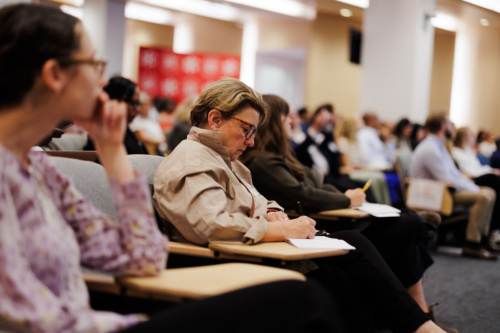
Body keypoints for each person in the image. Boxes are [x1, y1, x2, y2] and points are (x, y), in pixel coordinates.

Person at [0, 4, 345, 333]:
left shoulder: (41, 170)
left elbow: (146, 259)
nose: (102, 81)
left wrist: (114, 153)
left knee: (304, 296)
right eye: (93, 65)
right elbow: (31, 320)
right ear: (54, 75)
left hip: (100, 322)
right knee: (301, 301)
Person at [153, 78, 446, 333]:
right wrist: (280, 229)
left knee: (353, 264)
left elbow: (257, 198)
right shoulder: (192, 160)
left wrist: (271, 210)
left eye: (254, 132)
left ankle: (417, 325)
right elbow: (210, 225)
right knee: (352, 264)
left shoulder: (222, 158)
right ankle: (419, 325)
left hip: (256, 250)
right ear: (215, 119)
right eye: (247, 129)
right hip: (229, 259)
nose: (251, 142)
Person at [240, 94, 457, 333]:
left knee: (406, 233)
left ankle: (420, 313)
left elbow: (318, 187)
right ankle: (420, 313)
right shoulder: (263, 162)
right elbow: (304, 194)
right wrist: (346, 198)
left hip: (317, 226)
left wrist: (347, 196)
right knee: (406, 229)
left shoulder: (282, 157)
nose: (292, 123)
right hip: (315, 228)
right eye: (285, 118)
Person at [410, 114, 497, 260]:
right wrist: (476, 190)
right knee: (482, 197)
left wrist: (474, 187)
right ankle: (472, 244)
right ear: (443, 126)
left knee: (490, 192)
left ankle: (483, 239)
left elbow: (455, 174)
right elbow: (448, 178)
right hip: (433, 193)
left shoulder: (438, 145)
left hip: (442, 189)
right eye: (451, 125)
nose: (453, 128)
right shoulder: (431, 148)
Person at [452, 127, 500, 251]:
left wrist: (491, 170)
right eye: (471, 136)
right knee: (494, 182)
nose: (474, 138)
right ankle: (475, 241)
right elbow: (468, 172)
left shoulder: (468, 151)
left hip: (475, 176)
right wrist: (490, 172)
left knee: (493, 189)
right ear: (464, 137)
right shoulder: (455, 151)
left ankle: (486, 235)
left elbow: (478, 167)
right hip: (469, 179)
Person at [84, 76, 149, 156]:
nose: (138, 109)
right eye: (134, 103)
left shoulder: (125, 130)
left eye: (139, 104)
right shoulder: (104, 135)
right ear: (116, 101)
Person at [335, 115, 391, 204]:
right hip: (352, 171)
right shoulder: (343, 141)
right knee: (375, 179)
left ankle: (386, 203)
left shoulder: (355, 140)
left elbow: (360, 161)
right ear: (352, 125)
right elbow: (348, 165)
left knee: (380, 177)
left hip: (358, 169)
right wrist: (361, 168)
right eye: (359, 123)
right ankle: (377, 203)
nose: (362, 125)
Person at [129, 91, 167, 155]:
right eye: (143, 104)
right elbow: (142, 137)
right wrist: (159, 142)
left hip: (161, 149)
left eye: (148, 104)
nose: (146, 107)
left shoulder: (152, 119)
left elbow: (162, 134)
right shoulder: (135, 120)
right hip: (150, 152)